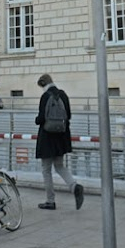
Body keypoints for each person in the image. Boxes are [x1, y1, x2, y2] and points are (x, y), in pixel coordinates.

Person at [34, 74, 84, 211]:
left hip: (47, 136)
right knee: (59, 166)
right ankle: (74, 186)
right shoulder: (63, 95)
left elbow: (42, 118)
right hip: (61, 136)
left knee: (46, 169)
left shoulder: (45, 97)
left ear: (42, 84)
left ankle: (50, 201)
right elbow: (69, 115)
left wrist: (36, 120)